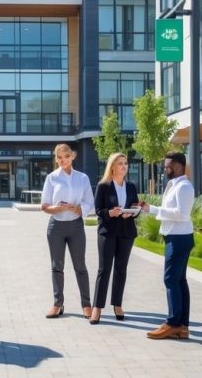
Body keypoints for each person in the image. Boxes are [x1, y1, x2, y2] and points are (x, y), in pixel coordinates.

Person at [139, 151, 193, 340]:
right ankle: (183, 325)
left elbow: (182, 214)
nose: (164, 168)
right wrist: (149, 209)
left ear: (178, 166)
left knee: (170, 279)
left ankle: (173, 324)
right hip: (175, 236)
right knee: (179, 280)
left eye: (167, 165)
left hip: (179, 238)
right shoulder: (174, 185)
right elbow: (173, 212)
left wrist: (155, 210)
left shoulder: (184, 187)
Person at [40, 143, 94, 319]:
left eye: (66, 157)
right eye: (60, 158)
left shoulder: (83, 178)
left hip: (76, 226)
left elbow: (89, 202)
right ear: (56, 159)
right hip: (56, 227)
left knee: (80, 266)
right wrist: (57, 208)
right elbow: (44, 205)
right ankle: (58, 304)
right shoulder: (51, 178)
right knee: (57, 267)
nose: (63, 160)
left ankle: (86, 305)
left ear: (73, 157)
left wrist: (80, 209)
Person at [90, 152, 139, 324]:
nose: (124, 166)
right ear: (112, 166)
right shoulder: (103, 186)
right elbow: (98, 210)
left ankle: (117, 304)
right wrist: (110, 212)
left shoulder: (131, 186)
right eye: (120, 163)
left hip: (126, 232)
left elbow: (135, 207)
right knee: (104, 270)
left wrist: (131, 213)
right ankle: (97, 307)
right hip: (108, 232)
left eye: (125, 163)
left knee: (121, 270)